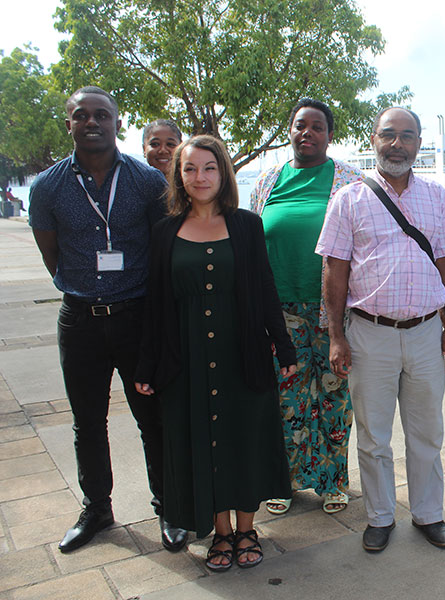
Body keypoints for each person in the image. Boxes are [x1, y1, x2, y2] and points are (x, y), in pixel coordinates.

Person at [28, 86, 187, 554]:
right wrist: (82, 284)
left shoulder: (146, 181)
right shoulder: (48, 186)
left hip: (137, 318)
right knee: (87, 421)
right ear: (70, 124)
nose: (92, 122)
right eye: (82, 115)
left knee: (152, 417)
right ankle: (97, 507)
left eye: (102, 115)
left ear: (117, 123)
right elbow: (50, 252)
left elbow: (164, 247)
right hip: (79, 321)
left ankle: (168, 507)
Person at [134, 134, 297, 571]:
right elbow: (156, 304)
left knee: (243, 440)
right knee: (200, 443)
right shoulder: (164, 232)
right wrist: (147, 364)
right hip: (184, 359)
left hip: (241, 352)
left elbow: (264, 289)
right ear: (178, 175)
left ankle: (247, 529)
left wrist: (284, 348)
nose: (200, 176)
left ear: (222, 172)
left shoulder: (246, 225)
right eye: (190, 168)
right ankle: (220, 533)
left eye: (209, 167)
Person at [317, 107, 445, 553]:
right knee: (374, 434)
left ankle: (428, 514)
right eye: (389, 135)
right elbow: (334, 269)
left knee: (426, 432)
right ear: (374, 140)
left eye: (407, 135)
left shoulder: (437, 198)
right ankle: (380, 517)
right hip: (368, 334)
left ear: (419, 143)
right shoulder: (348, 198)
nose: (397, 143)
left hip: (424, 332)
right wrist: (336, 336)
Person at [250, 98, 363, 516]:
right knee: (286, 397)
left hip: (335, 310)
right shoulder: (267, 181)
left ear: (329, 135)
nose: (308, 133)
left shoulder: (350, 180)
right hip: (278, 311)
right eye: (300, 125)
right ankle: (285, 481)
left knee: (334, 394)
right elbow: (250, 243)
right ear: (290, 131)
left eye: (317, 127)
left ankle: (333, 481)